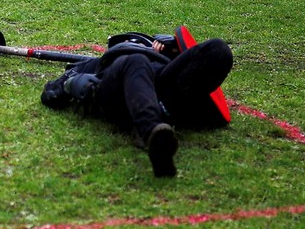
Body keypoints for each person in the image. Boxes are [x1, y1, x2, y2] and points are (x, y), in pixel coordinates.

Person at [41, 30, 233, 178]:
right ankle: (152, 132)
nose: (131, 42)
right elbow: (51, 93)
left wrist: (178, 50)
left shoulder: (165, 56)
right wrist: (74, 84)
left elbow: (195, 73)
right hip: (118, 92)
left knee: (218, 48)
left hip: (164, 91)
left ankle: (162, 116)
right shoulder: (100, 63)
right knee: (136, 61)